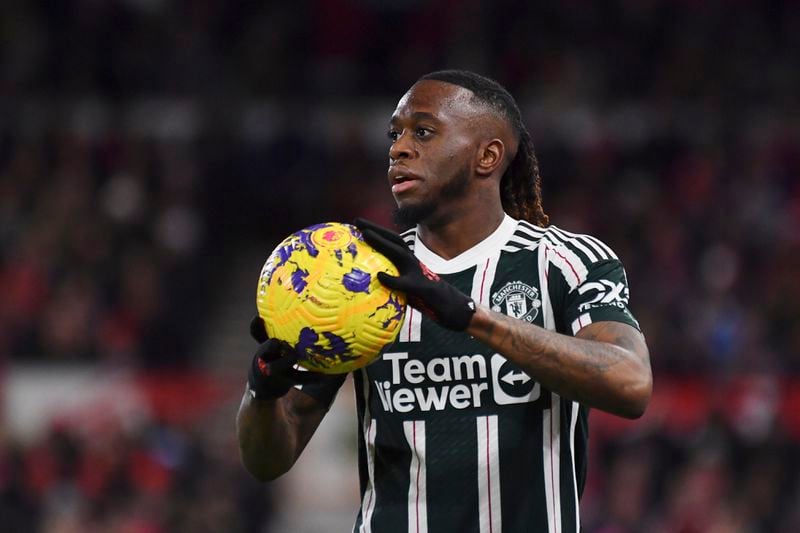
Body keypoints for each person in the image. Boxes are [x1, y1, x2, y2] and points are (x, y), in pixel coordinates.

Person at [236, 70, 652, 533]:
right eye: (395, 134)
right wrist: (263, 395)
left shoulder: (565, 262)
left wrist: (472, 318)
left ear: (487, 156)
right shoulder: (362, 278)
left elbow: (630, 384)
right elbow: (268, 459)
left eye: (424, 132)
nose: (398, 148)